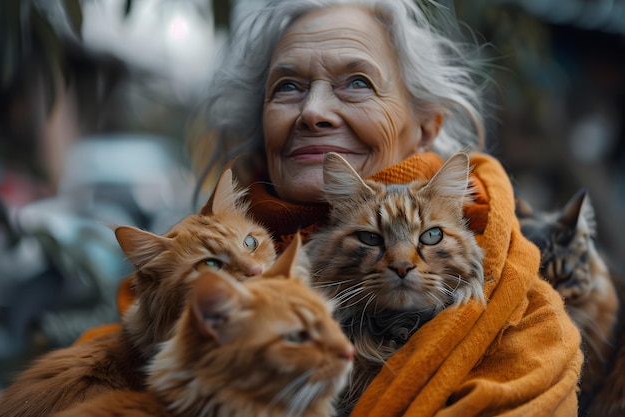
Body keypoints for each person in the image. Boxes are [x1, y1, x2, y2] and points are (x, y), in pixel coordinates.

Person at [80, 0, 583, 415]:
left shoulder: (528, 323)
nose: (314, 112)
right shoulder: (169, 279)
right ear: (262, 126)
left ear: (426, 124)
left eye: (357, 82)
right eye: (289, 87)